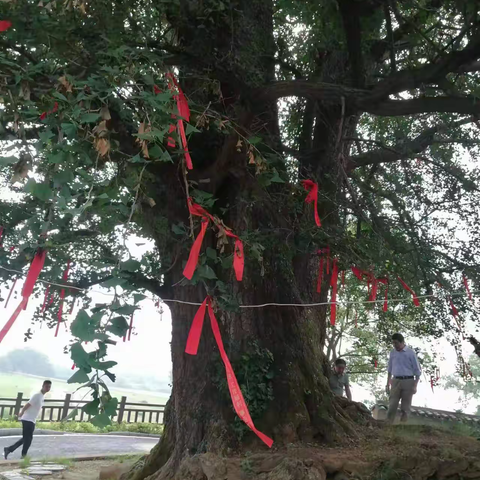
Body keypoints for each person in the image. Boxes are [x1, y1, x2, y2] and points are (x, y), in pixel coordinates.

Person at [3, 380, 52, 459]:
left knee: (26, 438)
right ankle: (23, 455)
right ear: (42, 386)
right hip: (27, 419)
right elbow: (27, 404)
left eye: (49, 387)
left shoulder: (42, 396)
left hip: (31, 419)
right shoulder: (37, 395)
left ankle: (9, 449)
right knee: (28, 439)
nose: (48, 388)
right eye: (46, 386)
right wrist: (21, 413)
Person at [385, 333, 421, 423]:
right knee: (392, 404)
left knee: (405, 406)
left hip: (408, 381)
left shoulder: (410, 353)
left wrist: (415, 385)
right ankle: (387, 425)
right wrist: (387, 383)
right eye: (393, 343)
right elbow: (389, 369)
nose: (395, 345)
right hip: (395, 380)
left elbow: (417, 371)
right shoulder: (392, 352)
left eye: (396, 343)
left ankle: (402, 427)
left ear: (402, 342)